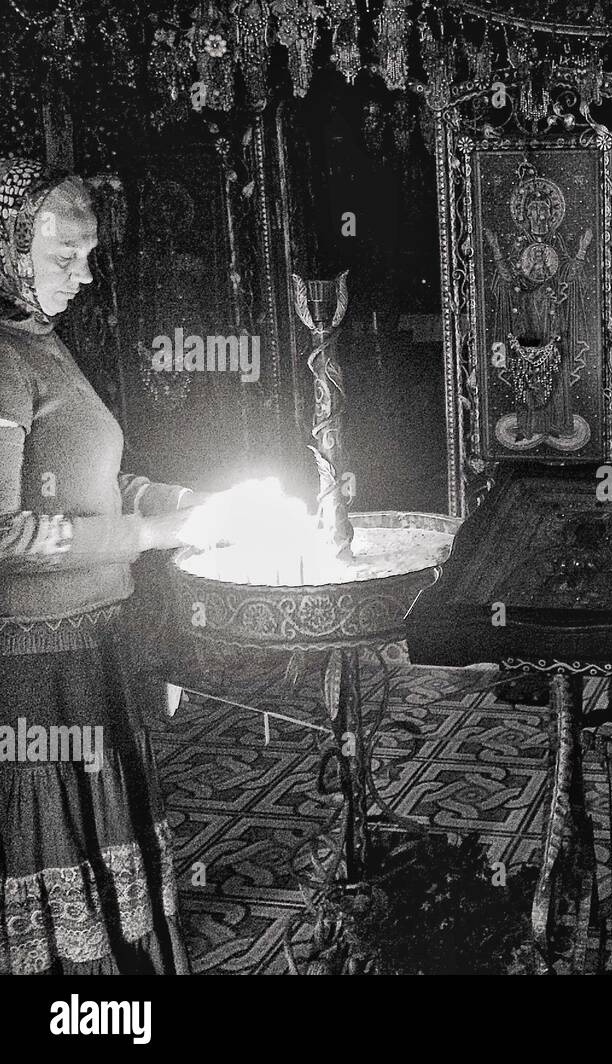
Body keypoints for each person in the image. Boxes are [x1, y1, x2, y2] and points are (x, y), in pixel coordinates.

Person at [0, 157, 204, 974]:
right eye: (64, 256)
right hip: (36, 668)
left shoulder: (37, 343)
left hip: (89, 649)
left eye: (90, 253)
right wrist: (146, 537)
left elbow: (89, 478)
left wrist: (177, 499)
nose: (85, 275)